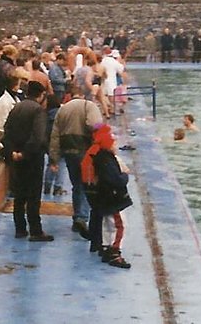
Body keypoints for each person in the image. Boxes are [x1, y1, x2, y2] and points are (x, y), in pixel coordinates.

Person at [49, 83, 103, 237]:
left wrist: (54, 158)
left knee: (76, 185)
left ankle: (77, 217)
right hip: (85, 151)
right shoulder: (89, 106)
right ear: (83, 95)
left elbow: (54, 136)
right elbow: (95, 125)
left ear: (69, 95)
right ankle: (82, 217)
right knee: (87, 184)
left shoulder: (62, 109)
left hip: (68, 151)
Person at [2, 80, 54, 241]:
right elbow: (38, 137)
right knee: (33, 195)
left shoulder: (17, 107)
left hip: (16, 156)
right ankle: (36, 230)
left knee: (19, 193)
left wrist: (13, 152)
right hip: (32, 158)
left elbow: (7, 130)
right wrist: (25, 153)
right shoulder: (38, 111)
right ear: (41, 95)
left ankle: (20, 228)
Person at [81, 124, 133, 269]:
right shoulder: (104, 157)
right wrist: (124, 177)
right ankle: (114, 252)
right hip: (111, 198)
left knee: (106, 223)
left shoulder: (93, 152)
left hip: (98, 196)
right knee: (119, 225)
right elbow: (114, 179)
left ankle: (103, 247)